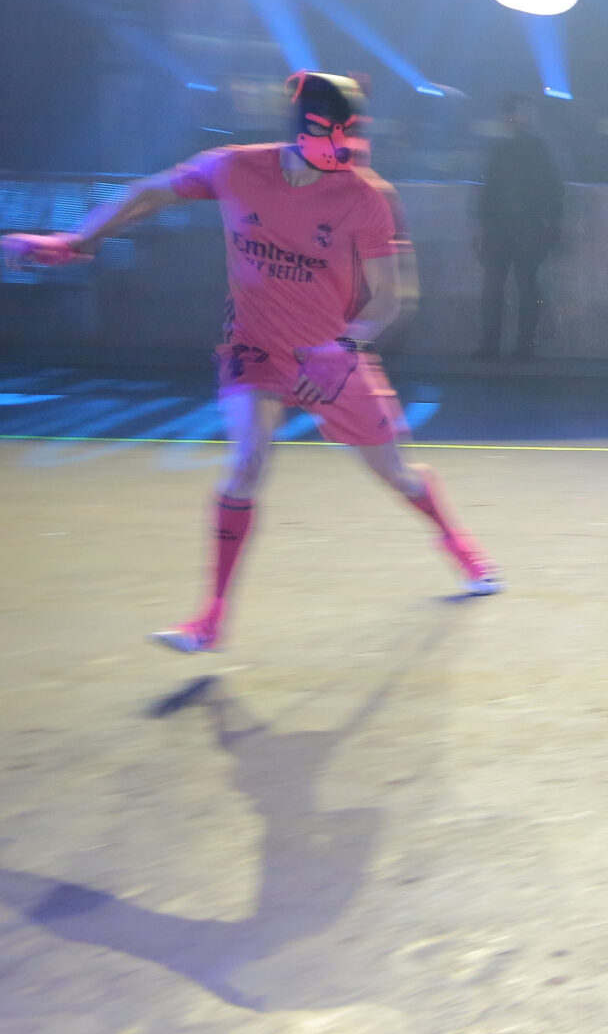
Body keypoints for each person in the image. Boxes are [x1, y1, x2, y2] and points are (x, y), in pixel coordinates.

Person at [2, 72, 499, 651]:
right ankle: (210, 619)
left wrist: (345, 349)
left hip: (330, 357)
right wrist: (77, 240)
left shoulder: (366, 197)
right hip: (254, 350)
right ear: (304, 128)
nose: (344, 149)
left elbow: (392, 297)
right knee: (247, 464)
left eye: (353, 136)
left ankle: (458, 542)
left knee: (397, 474)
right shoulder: (236, 167)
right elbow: (151, 194)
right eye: (333, 134)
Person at [473, 95, 564, 361]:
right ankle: (523, 344)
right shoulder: (536, 148)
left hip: (505, 227)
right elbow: (554, 189)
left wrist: (482, 225)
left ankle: (493, 344)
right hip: (525, 226)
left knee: (497, 287)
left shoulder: (500, 149)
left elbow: (488, 191)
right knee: (525, 287)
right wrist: (552, 224)